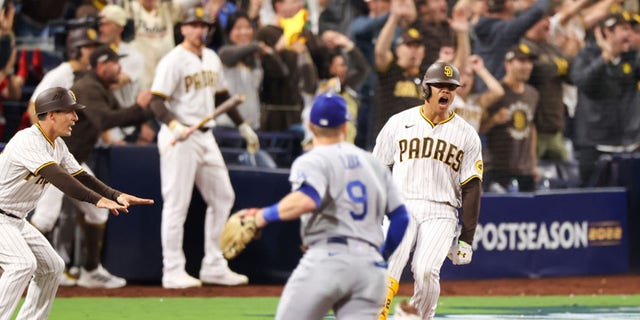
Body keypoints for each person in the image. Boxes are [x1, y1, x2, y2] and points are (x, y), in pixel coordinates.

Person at [242, 93, 409, 319]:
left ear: (310, 126)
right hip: (370, 268)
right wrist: (382, 256)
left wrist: (262, 216)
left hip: (328, 258)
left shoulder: (312, 159)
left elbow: (307, 199)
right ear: (345, 125)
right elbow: (401, 218)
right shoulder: (373, 163)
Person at [0, 86, 154, 320]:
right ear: (51, 115)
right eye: (69, 112)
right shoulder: (27, 140)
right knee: (22, 264)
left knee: (52, 267)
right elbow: (59, 178)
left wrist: (115, 195)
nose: (75, 117)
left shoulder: (58, 145)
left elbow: (81, 176)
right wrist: (97, 200)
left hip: (15, 220)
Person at [148, 6, 260, 289]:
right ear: (183, 28)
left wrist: (242, 125)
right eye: (194, 25)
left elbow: (222, 95)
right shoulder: (173, 60)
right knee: (177, 205)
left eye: (203, 25)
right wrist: (173, 125)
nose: (200, 30)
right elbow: (156, 101)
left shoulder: (211, 57)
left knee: (223, 196)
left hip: (205, 135)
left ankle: (213, 264)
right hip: (180, 136)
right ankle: (172, 270)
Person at [29, 45, 155, 289]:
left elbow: (121, 116)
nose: (119, 67)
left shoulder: (101, 89)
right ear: (101, 65)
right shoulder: (88, 87)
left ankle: (91, 271)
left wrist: (145, 110)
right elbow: (106, 119)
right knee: (45, 218)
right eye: (114, 62)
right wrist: (139, 108)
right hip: (51, 157)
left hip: (71, 158)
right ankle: (26, 270)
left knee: (98, 211)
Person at [374, 61, 483, 319]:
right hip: (401, 204)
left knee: (425, 271)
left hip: (442, 211)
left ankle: (419, 317)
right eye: (439, 86)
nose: (445, 91)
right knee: (391, 261)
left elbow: (472, 187)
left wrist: (467, 237)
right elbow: (376, 170)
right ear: (426, 89)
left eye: (451, 87)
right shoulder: (399, 122)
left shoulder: (467, 135)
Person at [571, 12, 640, 186]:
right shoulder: (587, 54)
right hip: (595, 146)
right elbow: (582, 82)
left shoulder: (632, 57)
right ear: (607, 33)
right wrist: (605, 58)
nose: (630, 34)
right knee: (594, 203)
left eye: (632, 29)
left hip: (628, 145)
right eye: (624, 29)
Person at [480, 43, 540, 192]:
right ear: (508, 64)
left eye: (529, 62)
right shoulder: (495, 93)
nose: (527, 66)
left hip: (525, 170)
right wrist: (493, 120)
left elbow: (531, 128)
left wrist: (533, 165)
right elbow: (477, 128)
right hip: (498, 169)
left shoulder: (533, 94)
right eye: (522, 61)